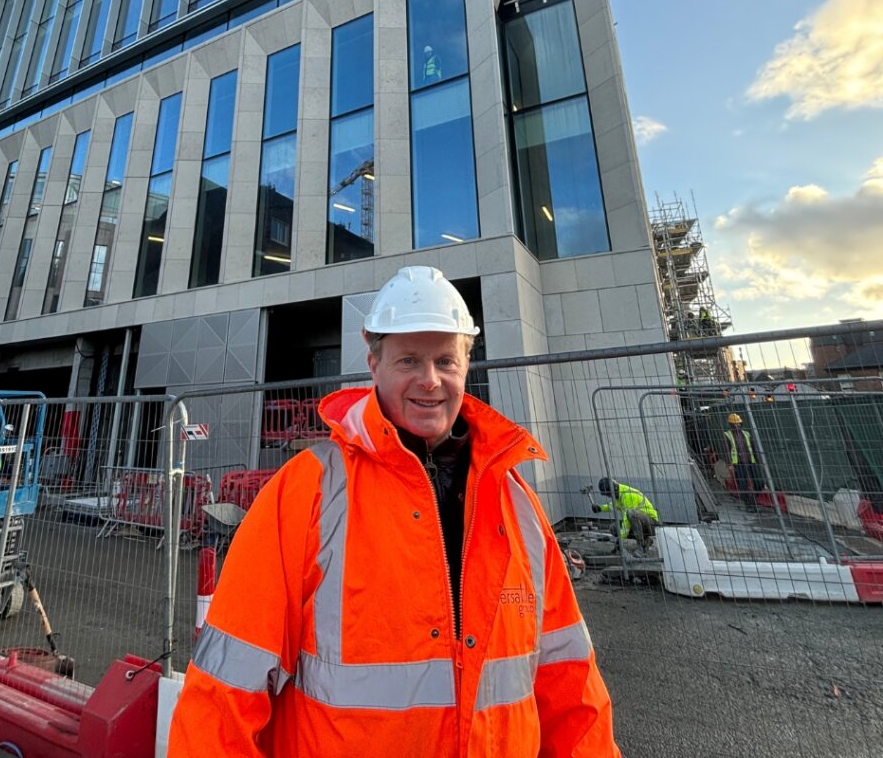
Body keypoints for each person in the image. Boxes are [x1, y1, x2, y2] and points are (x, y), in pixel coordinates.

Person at [170, 266, 620, 757]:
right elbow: (222, 697)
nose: (430, 380)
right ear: (374, 364)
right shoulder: (308, 491)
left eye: (445, 361)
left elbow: (572, 689)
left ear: (466, 366)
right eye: (409, 360)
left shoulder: (517, 503)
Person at [592, 477, 659, 553]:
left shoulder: (628, 495)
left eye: (609, 494)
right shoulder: (618, 495)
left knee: (631, 513)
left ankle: (641, 547)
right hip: (642, 523)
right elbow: (612, 505)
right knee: (613, 528)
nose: (609, 496)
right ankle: (646, 540)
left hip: (651, 523)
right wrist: (600, 508)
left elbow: (627, 521)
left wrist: (620, 540)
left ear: (614, 489)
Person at [723, 412, 761, 512]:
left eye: (739, 424)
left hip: (750, 462)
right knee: (742, 484)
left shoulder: (746, 434)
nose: (737, 426)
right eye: (735, 424)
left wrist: (759, 460)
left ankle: (753, 500)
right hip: (738, 464)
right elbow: (727, 450)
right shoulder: (727, 435)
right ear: (731, 425)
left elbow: (754, 447)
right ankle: (748, 503)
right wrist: (730, 464)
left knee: (758, 482)